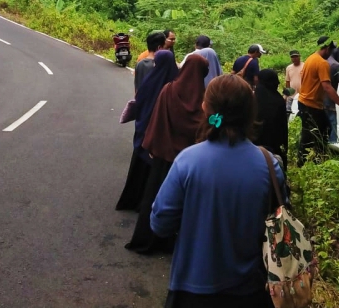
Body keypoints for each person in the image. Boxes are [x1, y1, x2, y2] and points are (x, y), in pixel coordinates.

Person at [151, 74, 284, 308]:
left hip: (193, 289)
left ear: (205, 108)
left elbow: (160, 224)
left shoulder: (188, 161)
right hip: (252, 291)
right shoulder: (269, 165)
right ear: (250, 113)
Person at [126, 53, 208, 254]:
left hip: (164, 158)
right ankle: (179, 245)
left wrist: (153, 147)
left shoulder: (169, 90)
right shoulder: (205, 99)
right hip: (191, 162)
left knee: (156, 197)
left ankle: (148, 238)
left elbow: (157, 120)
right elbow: (208, 126)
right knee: (186, 203)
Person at [116, 50, 178, 212]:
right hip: (160, 138)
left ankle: (133, 201)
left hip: (143, 132)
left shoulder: (150, 81)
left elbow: (139, 102)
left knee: (139, 169)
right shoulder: (174, 85)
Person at [297, 36, 339, 166]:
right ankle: (307, 162)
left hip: (304, 101)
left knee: (317, 131)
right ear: (327, 48)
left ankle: (313, 159)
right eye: (331, 49)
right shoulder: (322, 63)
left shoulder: (310, 58)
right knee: (315, 133)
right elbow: (327, 87)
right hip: (311, 104)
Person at [254, 69, 288, 168]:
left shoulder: (253, 98)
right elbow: (283, 127)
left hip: (256, 147)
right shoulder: (278, 100)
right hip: (274, 148)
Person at [284, 49, 304, 113]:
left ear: (299, 56)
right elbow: (287, 81)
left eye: (296, 56)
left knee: (301, 111)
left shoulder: (305, 66)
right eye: (292, 57)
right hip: (292, 95)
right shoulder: (289, 68)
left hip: (302, 94)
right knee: (289, 112)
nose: (294, 58)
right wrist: (287, 94)